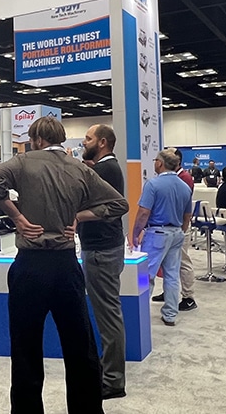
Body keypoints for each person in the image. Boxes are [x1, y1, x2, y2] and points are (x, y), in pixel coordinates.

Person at [0, 117, 128, 414]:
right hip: (66, 267)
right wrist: (78, 217)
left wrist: (18, 219)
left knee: (25, 350)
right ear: (61, 139)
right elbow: (118, 205)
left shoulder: (22, 162)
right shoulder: (78, 168)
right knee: (80, 348)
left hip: (30, 267)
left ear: (36, 140)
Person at [78, 124, 127, 400]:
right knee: (108, 313)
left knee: (108, 317)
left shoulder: (106, 169)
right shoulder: (104, 168)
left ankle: (113, 381)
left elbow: (105, 207)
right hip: (103, 248)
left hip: (101, 250)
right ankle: (110, 374)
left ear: (103, 142)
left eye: (88, 138)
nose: (84, 142)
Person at [130, 148, 193, 326]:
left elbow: (143, 212)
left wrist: (135, 233)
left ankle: (141, 313)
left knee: (146, 275)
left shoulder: (153, 185)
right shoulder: (184, 186)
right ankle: (170, 314)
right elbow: (187, 215)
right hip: (176, 232)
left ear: (160, 163)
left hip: (156, 233)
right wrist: (181, 230)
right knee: (172, 274)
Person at [152, 149, 198, 311]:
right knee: (169, 264)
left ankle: (188, 296)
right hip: (174, 226)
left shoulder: (184, 178)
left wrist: (182, 229)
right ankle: (169, 293)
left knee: (182, 261)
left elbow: (183, 205)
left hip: (179, 224)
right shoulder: (176, 178)